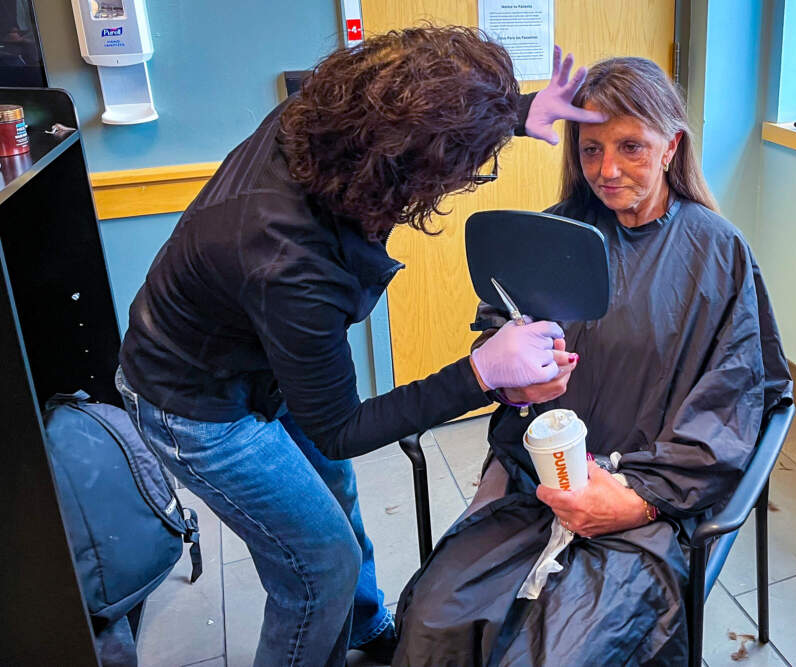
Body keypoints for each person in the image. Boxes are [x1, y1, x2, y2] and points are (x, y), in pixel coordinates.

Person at [114, 26, 604, 667]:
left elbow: (414, 108)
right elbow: (340, 427)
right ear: (411, 172)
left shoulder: (326, 115)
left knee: (337, 501)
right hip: (195, 406)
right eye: (467, 166)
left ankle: (364, 632)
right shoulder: (287, 260)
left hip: (260, 356)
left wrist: (516, 114)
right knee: (320, 566)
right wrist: (481, 372)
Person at [392, 56, 793, 666]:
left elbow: (733, 399)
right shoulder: (547, 239)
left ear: (670, 147)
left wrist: (640, 498)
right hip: (535, 479)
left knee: (562, 650)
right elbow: (496, 352)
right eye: (591, 150)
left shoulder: (718, 254)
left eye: (631, 146)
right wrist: (518, 385)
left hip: (655, 491)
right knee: (431, 620)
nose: (607, 170)